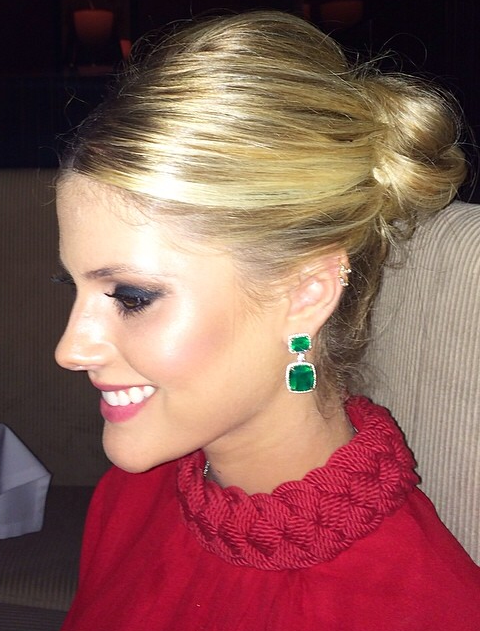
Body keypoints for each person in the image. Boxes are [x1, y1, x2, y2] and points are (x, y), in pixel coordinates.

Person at [54, 11, 480, 630]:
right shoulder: (132, 498)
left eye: (132, 296)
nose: (70, 349)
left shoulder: (415, 608)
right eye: (73, 288)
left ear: (306, 293)